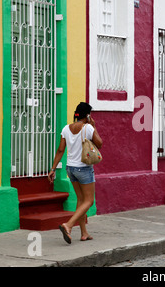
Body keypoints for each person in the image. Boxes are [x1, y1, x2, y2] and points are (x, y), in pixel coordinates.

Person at [48, 102, 103, 244]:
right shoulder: (88, 128)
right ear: (88, 115)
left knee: (81, 200)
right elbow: (100, 143)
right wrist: (95, 127)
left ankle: (84, 233)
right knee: (89, 201)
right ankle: (69, 225)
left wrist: (53, 169)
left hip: (70, 169)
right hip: (84, 169)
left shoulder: (66, 128)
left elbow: (60, 150)